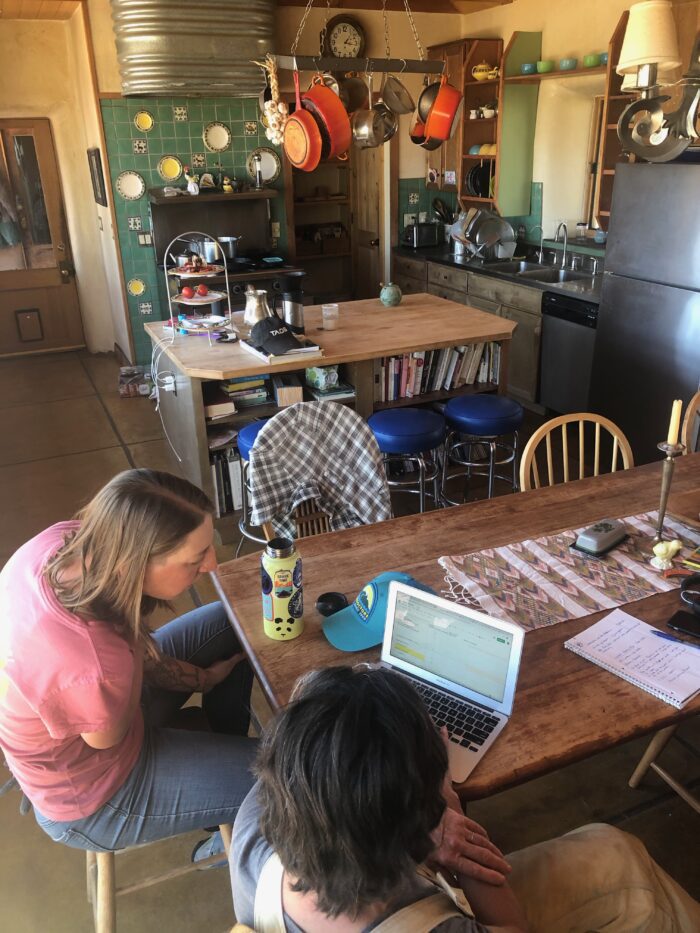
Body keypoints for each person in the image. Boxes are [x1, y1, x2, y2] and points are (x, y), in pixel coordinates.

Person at [230, 665, 700, 932]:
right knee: (619, 853)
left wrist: (420, 809)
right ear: (416, 830)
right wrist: (452, 822)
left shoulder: (254, 828)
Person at [0, 469, 257, 857]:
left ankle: (223, 770)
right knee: (292, 777)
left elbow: (127, 667)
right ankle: (240, 833)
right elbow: (107, 740)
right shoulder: (98, 657)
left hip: (97, 704)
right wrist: (141, 652)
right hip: (95, 795)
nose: (211, 565)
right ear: (136, 565)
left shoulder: (65, 542)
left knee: (231, 620)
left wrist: (202, 678)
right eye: (194, 559)